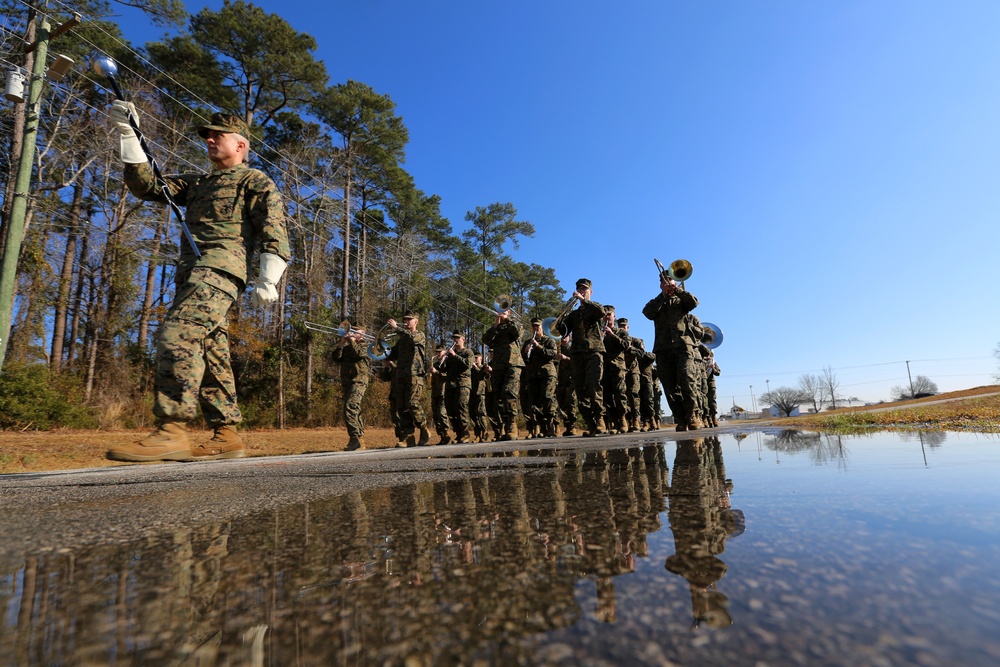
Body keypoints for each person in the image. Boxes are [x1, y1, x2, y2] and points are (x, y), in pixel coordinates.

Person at [105, 108, 290, 462]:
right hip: (191, 272)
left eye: (216, 135)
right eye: (207, 135)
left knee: (178, 334)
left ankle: (172, 429)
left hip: (221, 268)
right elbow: (147, 185)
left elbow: (273, 226)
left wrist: (269, 274)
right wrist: (129, 135)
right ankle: (226, 434)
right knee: (210, 350)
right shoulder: (197, 183)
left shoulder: (253, 180)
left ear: (240, 144)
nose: (208, 140)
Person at [642, 273, 701, 431]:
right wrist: (663, 296)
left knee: (687, 379)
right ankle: (681, 418)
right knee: (669, 386)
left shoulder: (681, 300)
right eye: (664, 282)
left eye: (670, 282)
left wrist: (678, 290)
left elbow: (694, 302)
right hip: (663, 349)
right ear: (660, 285)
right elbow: (647, 313)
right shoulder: (657, 302)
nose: (667, 284)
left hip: (683, 346)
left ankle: (692, 414)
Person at [559, 278, 607, 436]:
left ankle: (599, 419)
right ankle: (590, 423)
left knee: (594, 385)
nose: (581, 292)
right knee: (580, 389)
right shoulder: (574, 315)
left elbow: (601, 312)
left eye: (584, 290)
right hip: (577, 354)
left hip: (594, 351)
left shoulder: (594, 308)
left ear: (590, 292)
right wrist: (561, 317)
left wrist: (583, 300)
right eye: (579, 289)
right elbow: (561, 329)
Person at [385, 312, 430, 447]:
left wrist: (396, 328)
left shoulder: (419, 335)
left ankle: (423, 427)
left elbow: (411, 338)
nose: (406, 322)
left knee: (412, 403)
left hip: (415, 374)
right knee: (401, 407)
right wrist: (382, 350)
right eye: (405, 320)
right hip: (401, 375)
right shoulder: (402, 339)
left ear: (416, 321)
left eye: (409, 320)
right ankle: (408, 437)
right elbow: (393, 353)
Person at [482, 307, 524, 440]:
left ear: (509, 312)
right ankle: (504, 427)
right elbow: (485, 340)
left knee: (509, 392)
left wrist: (507, 320)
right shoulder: (496, 328)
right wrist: (495, 325)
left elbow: (517, 333)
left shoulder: (515, 324)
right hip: (498, 366)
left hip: (513, 363)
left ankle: (512, 425)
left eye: (504, 310)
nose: (501, 313)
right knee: (499, 396)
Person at [331, 323, 372, 450]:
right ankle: (358, 440)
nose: (353, 333)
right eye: (352, 330)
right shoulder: (348, 348)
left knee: (350, 406)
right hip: (347, 382)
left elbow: (359, 354)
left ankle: (355, 438)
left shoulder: (367, 346)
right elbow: (336, 358)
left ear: (363, 333)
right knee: (353, 409)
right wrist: (341, 344)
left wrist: (352, 341)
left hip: (359, 380)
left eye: (356, 331)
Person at [521, 317, 559, 438]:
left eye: (538, 326)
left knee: (548, 398)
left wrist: (538, 346)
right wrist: (526, 351)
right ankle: (541, 428)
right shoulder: (527, 342)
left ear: (542, 327)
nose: (536, 329)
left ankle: (551, 425)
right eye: (534, 327)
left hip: (547, 374)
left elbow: (552, 355)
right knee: (535, 401)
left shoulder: (549, 341)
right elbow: (523, 360)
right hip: (533, 375)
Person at [441, 330, 476, 442]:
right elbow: (443, 370)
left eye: (458, 338)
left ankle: (465, 432)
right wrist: (443, 360)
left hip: (463, 383)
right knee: (450, 409)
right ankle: (458, 433)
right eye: (454, 338)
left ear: (463, 339)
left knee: (461, 406)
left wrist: (455, 355)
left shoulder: (468, 352)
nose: (455, 340)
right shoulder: (450, 354)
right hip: (451, 385)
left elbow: (467, 364)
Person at [430, 344, 451, 444]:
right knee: (436, 414)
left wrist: (437, 372)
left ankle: (447, 433)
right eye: (436, 352)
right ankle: (442, 435)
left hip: (443, 391)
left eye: (440, 352)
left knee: (442, 413)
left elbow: (447, 376)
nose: (437, 354)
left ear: (444, 352)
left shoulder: (447, 363)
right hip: (435, 391)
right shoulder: (435, 364)